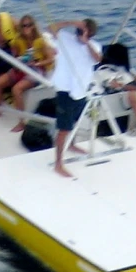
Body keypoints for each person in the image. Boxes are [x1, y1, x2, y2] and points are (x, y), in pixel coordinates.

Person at [43, 17, 101, 178]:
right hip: (66, 90)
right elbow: (50, 27)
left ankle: (73, 144)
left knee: (74, 121)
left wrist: (86, 42)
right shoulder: (65, 38)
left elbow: (97, 59)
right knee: (64, 128)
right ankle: (58, 164)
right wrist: (70, 23)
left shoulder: (94, 46)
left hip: (81, 90)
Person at [0, 14, 54, 109]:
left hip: (35, 71)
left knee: (16, 89)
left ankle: (21, 121)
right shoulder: (18, 41)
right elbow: (14, 56)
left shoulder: (40, 42)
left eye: (29, 25)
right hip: (21, 68)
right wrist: (18, 60)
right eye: (23, 26)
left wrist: (36, 63)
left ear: (33, 26)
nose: (26, 28)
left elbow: (50, 59)